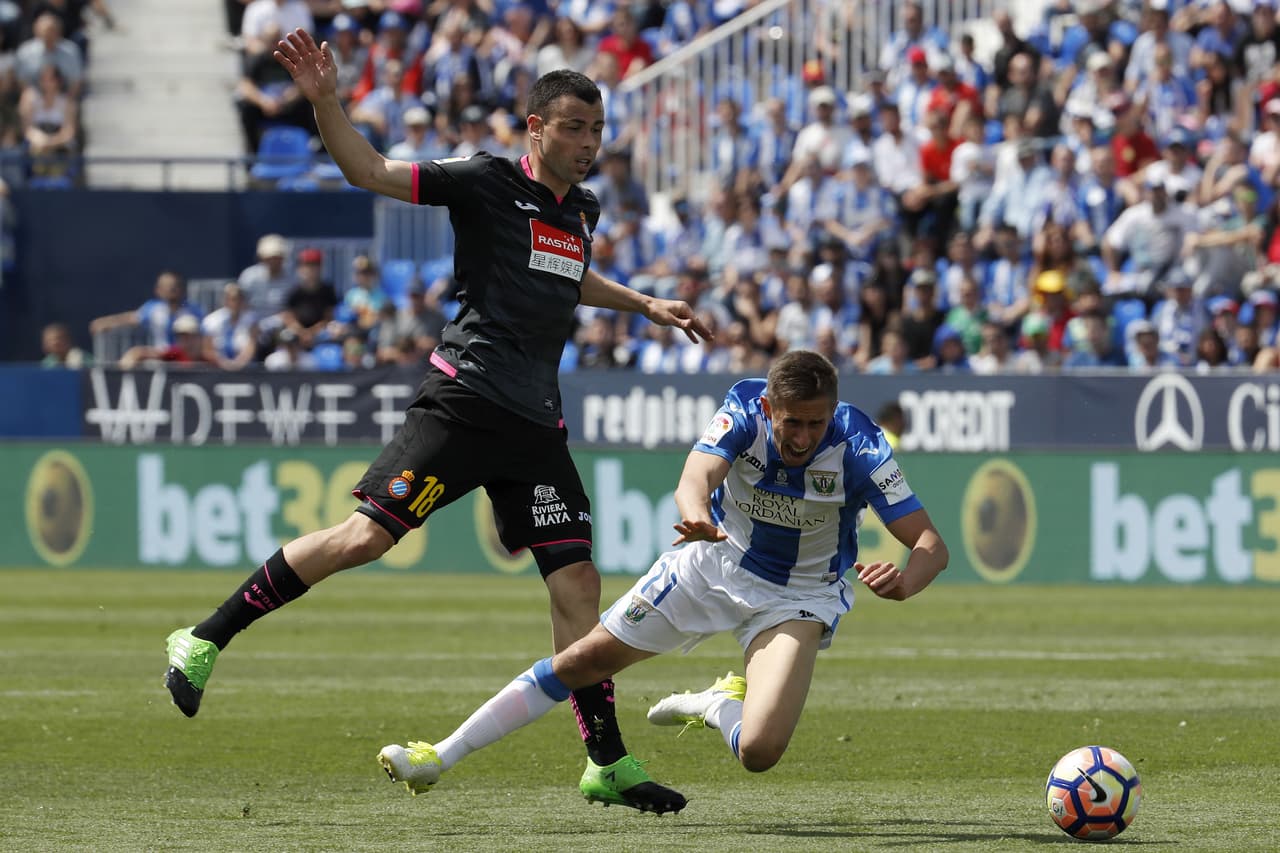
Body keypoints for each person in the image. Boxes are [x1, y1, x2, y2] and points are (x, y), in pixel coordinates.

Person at [162, 34, 710, 816]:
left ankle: (606, 762)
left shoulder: (579, 208)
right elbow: (370, 171)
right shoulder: (485, 182)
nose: (589, 145)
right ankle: (205, 636)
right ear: (534, 127)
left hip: (533, 425)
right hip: (465, 401)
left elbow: (567, 276)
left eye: (597, 131)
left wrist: (644, 303)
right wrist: (325, 101)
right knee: (364, 539)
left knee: (578, 584)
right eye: (573, 129)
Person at [376, 350, 949, 797]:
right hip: (713, 564)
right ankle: (437, 757)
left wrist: (906, 581)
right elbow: (694, 477)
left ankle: (714, 704)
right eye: (793, 423)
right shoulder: (745, 410)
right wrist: (696, 515)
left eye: (815, 425)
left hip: (799, 597)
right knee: (582, 662)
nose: (803, 438)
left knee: (760, 752)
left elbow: (929, 544)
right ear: (771, 409)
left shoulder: (860, 444)